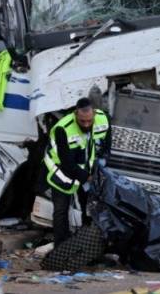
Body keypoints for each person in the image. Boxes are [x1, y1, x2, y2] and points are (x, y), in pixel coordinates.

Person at [43, 97, 112, 245]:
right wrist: (87, 178)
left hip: (85, 169)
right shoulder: (63, 128)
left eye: (89, 121)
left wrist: (99, 170)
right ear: (75, 114)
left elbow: (106, 149)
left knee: (89, 209)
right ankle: (61, 248)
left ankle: (88, 245)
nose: (86, 125)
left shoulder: (103, 119)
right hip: (61, 171)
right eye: (82, 121)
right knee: (61, 210)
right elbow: (67, 163)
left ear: (94, 114)